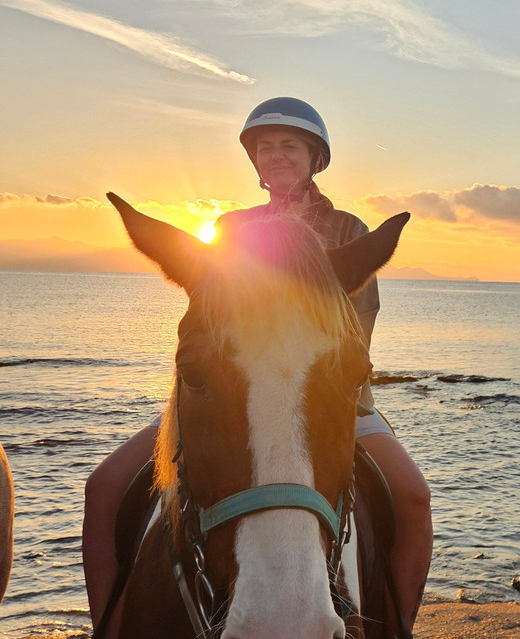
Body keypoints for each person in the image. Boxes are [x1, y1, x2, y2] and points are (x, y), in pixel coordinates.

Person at [83, 97, 432, 638]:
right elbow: (205, 317)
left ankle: (398, 625)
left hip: (327, 394)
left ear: (315, 156)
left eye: (288, 145)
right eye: (263, 147)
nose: (274, 155)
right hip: (231, 394)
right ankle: (106, 623)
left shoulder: (346, 229)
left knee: (413, 497)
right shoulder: (230, 227)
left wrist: (324, 375)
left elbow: (358, 321)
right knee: (103, 487)